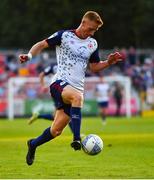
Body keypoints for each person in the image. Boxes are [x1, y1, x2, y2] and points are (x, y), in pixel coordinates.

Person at [19, 11, 124, 165]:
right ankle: (76, 138)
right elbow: (42, 44)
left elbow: (94, 67)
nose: (92, 32)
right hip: (59, 84)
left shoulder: (92, 44)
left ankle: (33, 144)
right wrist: (29, 56)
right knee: (78, 97)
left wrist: (108, 62)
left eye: (95, 30)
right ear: (83, 23)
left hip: (75, 90)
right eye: (90, 29)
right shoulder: (64, 36)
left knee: (56, 131)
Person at [28, 64, 74, 133]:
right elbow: (41, 75)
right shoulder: (61, 65)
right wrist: (43, 86)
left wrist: (43, 86)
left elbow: (42, 75)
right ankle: (76, 135)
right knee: (67, 113)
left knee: (56, 116)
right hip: (60, 91)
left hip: (58, 91)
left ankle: (38, 116)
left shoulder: (57, 66)